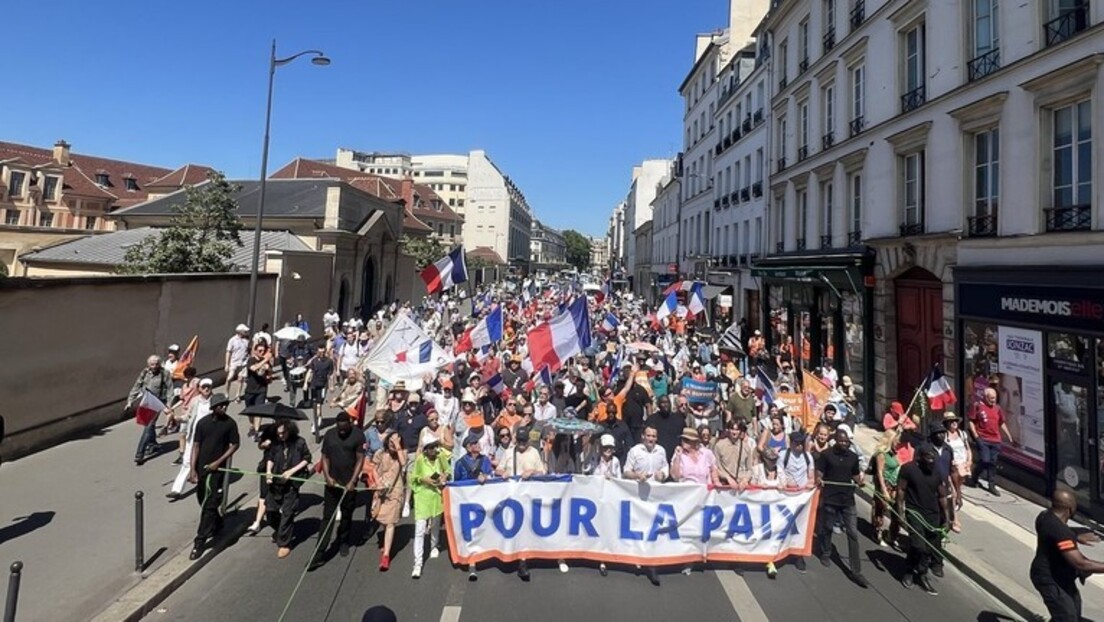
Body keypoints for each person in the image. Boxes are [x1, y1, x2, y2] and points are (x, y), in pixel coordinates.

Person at [1030, 490, 1104, 621]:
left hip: (1061, 576)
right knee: (1067, 616)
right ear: (1070, 508)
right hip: (1049, 579)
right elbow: (1081, 563)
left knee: (1072, 612)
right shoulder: (1060, 531)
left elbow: (1053, 534)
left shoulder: (1044, 516)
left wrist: (1074, 536)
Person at [310, 413, 366, 570]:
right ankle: (319, 553)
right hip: (332, 484)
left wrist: (353, 481)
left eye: (344, 429)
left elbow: (360, 459)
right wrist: (327, 477)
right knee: (327, 517)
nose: (341, 432)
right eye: (339, 429)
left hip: (349, 484)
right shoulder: (329, 435)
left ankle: (344, 540)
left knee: (346, 514)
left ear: (349, 423)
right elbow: (325, 456)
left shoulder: (358, 435)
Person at [814, 428, 869, 587]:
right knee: (827, 528)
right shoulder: (826, 455)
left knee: (852, 533)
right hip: (830, 499)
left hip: (848, 501)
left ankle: (856, 570)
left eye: (846, 442)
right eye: (841, 441)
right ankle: (825, 553)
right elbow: (819, 472)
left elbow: (855, 474)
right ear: (835, 440)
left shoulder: (852, 457)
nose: (844, 444)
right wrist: (819, 479)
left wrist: (860, 481)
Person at [188, 393, 238, 560]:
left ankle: (200, 542)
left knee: (209, 504)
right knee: (201, 499)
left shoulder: (230, 424)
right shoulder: (203, 423)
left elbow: (235, 444)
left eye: (225, 405)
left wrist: (219, 461)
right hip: (202, 468)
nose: (224, 407)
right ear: (214, 407)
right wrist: (192, 469)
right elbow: (195, 446)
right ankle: (217, 523)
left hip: (217, 471)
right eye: (220, 405)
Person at [897, 444, 950, 595]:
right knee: (918, 545)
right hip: (914, 512)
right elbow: (901, 490)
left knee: (928, 548)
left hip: (932, 515)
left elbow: (942, 496)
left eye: (934, 458)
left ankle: (922, 574)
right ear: (920, 458)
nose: (932, 461)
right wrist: (900, 512)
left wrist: (946, 518)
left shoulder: (937, 472)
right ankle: (908, 571)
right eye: (929, 458)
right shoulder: (908, 469)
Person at [264, 420, 311, 559]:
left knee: (288, 513)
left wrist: (291, 472)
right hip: (276, 483)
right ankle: (280, 531)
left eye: (283, 433)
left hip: (291, 483)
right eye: (278, 434)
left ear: (289, 431)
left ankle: (284, 543)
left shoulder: (299, 442)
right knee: (271, 511)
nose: (280, 436)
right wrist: (268, 472)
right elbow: (270, 458)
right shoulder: (275, 443)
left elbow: (307, 459)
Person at [453, 432, 495, 580]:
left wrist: (486, 477)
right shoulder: (460, 463)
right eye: (475, 443)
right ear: (469, 447)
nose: (478, 445)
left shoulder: (485, 460)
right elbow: (456, 483)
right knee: (470, 532)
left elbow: (492, 475)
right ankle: (472, 563)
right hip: (467, 502)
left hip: (482, 500)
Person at [408, 439, 450, 579]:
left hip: (436, 497)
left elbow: (448, 470)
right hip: (422, 498)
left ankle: (434, 545)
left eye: (435, 447)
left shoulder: (441, 458)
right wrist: (423, 479)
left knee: (436, 524)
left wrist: (444, 476)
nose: (433, 450)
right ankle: (417, 563)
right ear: (425, 450)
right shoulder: (420, 460)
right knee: (419, 530)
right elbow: (414, 477)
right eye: (430, 448)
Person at [168, 378, 213, 498]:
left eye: (208, 386)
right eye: (204, 387)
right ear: (199, 389)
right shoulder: (195, 401)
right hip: (193, 436)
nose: (206, 389)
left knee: (204, 462)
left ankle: (204, 485)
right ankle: (176, 490)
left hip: (208, 438)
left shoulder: (215, 401)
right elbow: (188, 416)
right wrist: (177, 418)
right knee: (187, 462)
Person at [968, 387, 1017, 496]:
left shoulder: (997, 408)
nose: (993, 400)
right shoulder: (978, 406)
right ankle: (975, 475)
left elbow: (1001, 423)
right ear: (985, 397)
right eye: (991, 398)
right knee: (985, 460)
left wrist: (1009, 436)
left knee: (993, 462)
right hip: (983, 438)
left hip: (995, 440)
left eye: (994, 398)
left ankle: (991, 485)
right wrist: (975, 435)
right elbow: (971, 421)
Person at [128, 354, 174, 465]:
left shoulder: (165, 373)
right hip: (146, 401)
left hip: (157, 402)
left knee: (148, 426)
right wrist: (130, 400)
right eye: (152, 364)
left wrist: (168, 406)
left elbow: (170, 390)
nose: (154, 366)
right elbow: (137, 386)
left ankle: (139, 454)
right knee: (148, 425)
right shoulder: (145, 373)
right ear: (148, 365)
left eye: (156, 364)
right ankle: (153, 444)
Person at [372, 432, 406, 572]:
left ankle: (386, 555)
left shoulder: (401, 453)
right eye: (391, 443)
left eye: (395, 443)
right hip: (381, 490)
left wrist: (398, 445)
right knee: (381, 518)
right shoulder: (380, 453)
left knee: (391, 522)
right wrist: (377, 481)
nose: (393, 446)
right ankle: (385, 541)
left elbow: (403, 463)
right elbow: (373, 468)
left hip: (395, 491)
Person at [871, 429, 903, 548]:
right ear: (890, 440)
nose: (898, 442)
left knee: (897, 512)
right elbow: (879, 472)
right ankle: (877, 533)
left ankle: (892, 535)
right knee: (880, 509)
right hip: (885, 484)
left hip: (895, 485)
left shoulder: (893, 453)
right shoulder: (881, 453)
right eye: (896, 440)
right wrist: (883, 489)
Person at [943, 412, 971, 532]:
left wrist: (969, 460)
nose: (954, 423)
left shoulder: (962, 434)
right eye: (951, 421)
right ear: (947, 423)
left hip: (963, 467)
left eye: (955, 420)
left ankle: (950, 512)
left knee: (958, 491)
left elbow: (968, 448)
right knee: (954, 493)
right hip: (951, 467)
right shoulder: (944, 436)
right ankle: (955, 519)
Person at [715, 418, 755, 488]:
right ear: (728, 430)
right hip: (725, 484)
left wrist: (745, 480)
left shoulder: (746, 447)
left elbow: (749, 469)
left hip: (741, 484)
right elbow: (716, 467)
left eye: (737, 430)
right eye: (732, 429)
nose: (734, 432)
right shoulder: (719, 445)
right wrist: (727, 478)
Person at [243, 342, 273, 437]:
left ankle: (257, 431)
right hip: (250, 390)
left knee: (259, 411)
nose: (261, 352)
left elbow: (269, 374)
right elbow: (254, 368)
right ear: (255, 351)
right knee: (250, 412)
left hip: (261, 390)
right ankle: (252, 425)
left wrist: (269, 373)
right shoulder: (251, 361)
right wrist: (265, 360)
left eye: (263, 351)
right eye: (259, 351)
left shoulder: (266, 361)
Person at [304, 344, 335, 435]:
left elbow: (331, 375)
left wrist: (331, 385)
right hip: (314, 385)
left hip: (322, 385)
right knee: (314, 404)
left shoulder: (329, 362)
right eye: (319, 352)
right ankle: (319, 417)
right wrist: (306, 383)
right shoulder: (314, 361)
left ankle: (316, 423)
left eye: (323, 352)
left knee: (318, 404)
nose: (321, 354)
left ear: (325, 352)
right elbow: (310, 371)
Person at [224, 324, 251, 400]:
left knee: (241, 379)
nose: (246, 332)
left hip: (243, 362)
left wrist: (249, 357)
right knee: (229, 378)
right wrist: (227, 364)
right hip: (234, 362)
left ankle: (238, 395)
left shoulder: (247, 340)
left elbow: (248, 350)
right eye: (244, 331)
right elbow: (228, 352)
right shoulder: (232, 340)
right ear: (240, 331)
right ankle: (226, 393)